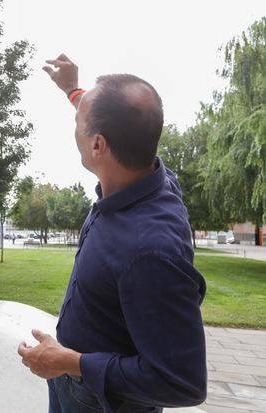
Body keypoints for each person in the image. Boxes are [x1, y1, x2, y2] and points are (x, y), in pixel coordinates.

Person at [18, 54, 207, 412]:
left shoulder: (150, 251)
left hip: (99, 401)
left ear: (98, 145)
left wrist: (69, 363)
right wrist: (74, 91)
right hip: (72, 380)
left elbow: (182, 383)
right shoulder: (150, 174)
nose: (75, 122)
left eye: (78, 120)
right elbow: (125, 122)